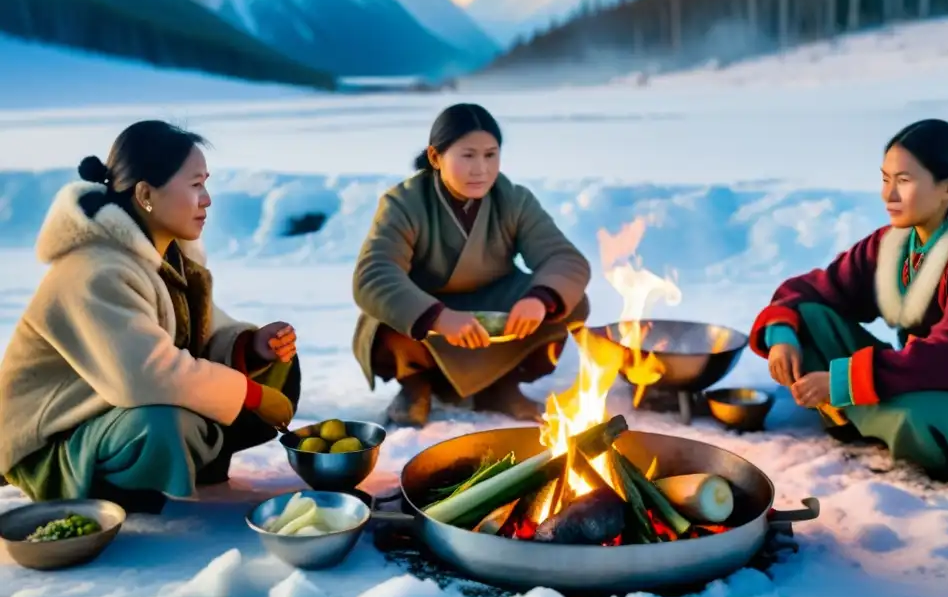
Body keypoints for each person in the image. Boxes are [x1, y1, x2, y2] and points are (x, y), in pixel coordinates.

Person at [0, 121, 301, 513]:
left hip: (115, 410)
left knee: (278, 365)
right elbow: (145, 376)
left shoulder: (168, 255)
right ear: (145, 194)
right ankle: (124, 492)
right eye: (195, 185)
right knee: (164, 425)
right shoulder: (95, 269)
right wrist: (251, 393)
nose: (207, 199)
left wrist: (252, 345)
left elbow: (200, 328)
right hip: (55, 442)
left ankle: (194, 463)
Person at [748, 119, 948, 484]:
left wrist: (841, 382)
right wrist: (783, 334)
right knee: (808, 318)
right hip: (912, 375)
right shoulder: (891, 244)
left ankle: (854, 412)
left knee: (919, 416)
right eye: (885, 179)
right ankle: (871, 416)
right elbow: (812, 290)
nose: (888, 195)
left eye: (904, 181)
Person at [352, 103, 592, 427]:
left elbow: (564, 258)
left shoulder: (514, 199)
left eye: (490, 155)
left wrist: (539, 299)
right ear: (436, 157)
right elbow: (373, 274)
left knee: (569, 300)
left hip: (493, 308)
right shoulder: (403, 203)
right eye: (468, 156)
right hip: (428, 312)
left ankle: (501, 386)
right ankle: (416, 386)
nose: (481, 169)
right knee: (386, 314)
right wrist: (439, 317)